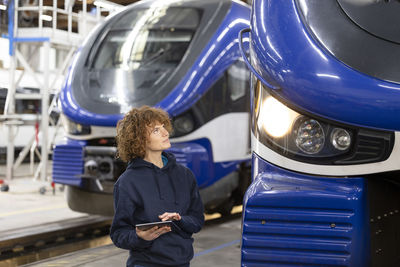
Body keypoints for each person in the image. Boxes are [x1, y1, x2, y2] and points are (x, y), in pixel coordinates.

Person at [110, 105, 204, 267]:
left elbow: (197, 220)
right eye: (155, 130)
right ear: (139, 139)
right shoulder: (127, 182)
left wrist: (180, 220)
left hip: (182, 262)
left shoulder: (184, 175)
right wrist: (140, 237)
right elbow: (119, 233)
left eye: (163, 127)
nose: (165, 133)